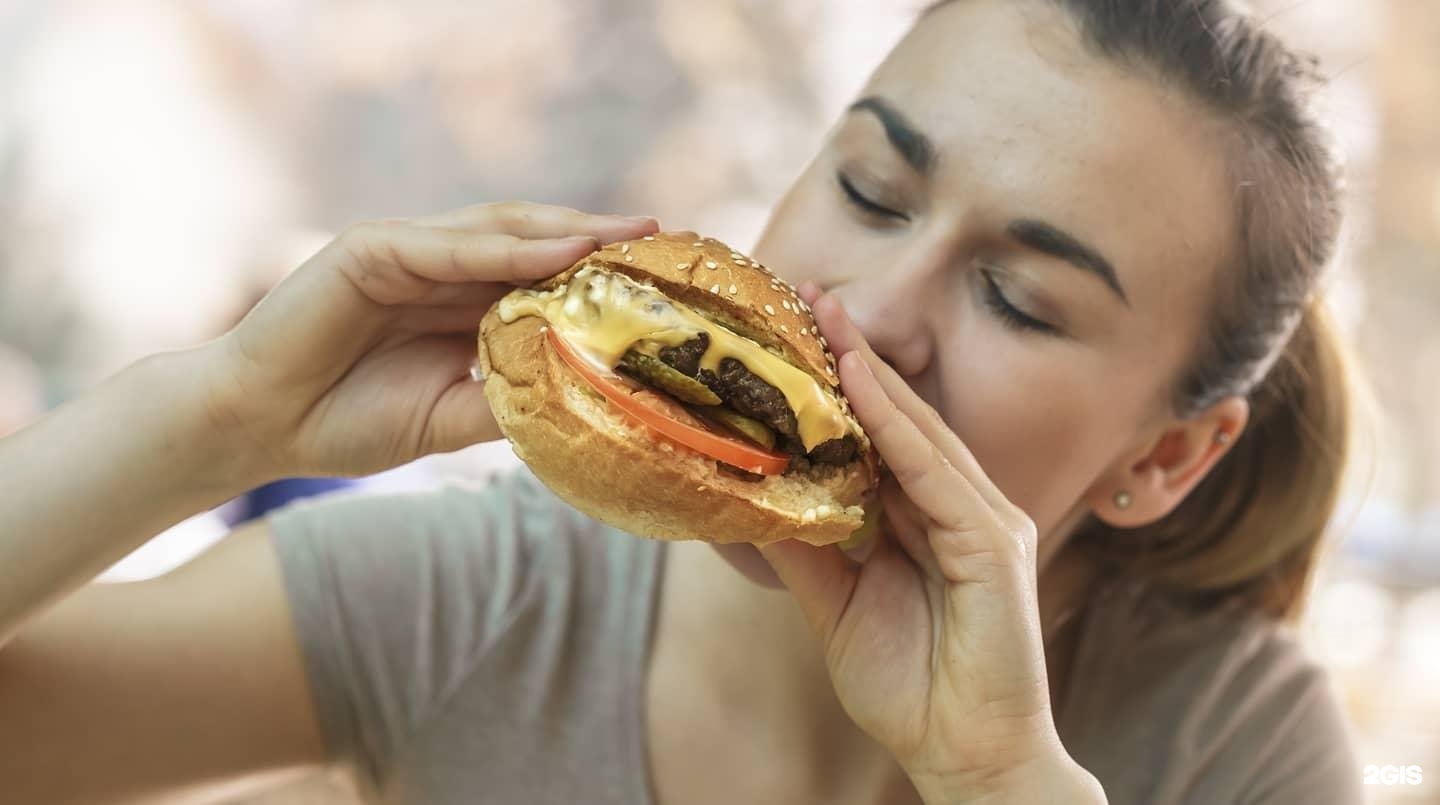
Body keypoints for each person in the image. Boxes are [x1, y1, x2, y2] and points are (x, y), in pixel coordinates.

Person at [0, 1, 1361, 802]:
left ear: (1168, 457)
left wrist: (1003, 779)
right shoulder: (478, 597)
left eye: (1018, 300)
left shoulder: (1223, 738)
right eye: (869, 193)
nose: (870, 315)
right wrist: (222, 413)